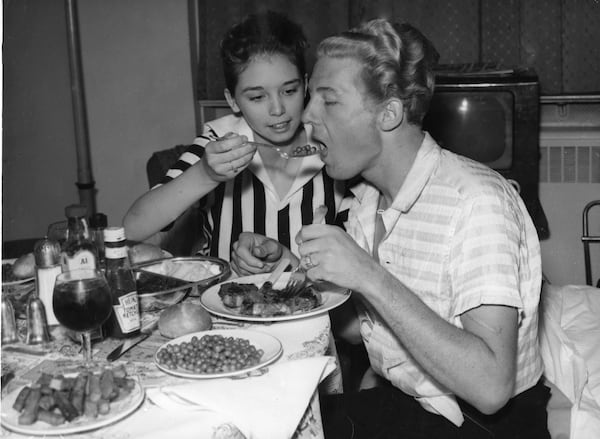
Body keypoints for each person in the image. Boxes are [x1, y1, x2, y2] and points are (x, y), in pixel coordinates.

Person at [232, 18, 550, 438]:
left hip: (481, 425)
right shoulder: (365, 199)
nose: (306, 115)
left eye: (329, 101)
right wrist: (293, 269)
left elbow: (490, 386)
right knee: (256, 423)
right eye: (311, 98)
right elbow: (359, 332)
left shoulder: (476, 202)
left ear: (389, 113)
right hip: (407, 405)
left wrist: (367, 274)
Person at [123, 11, 348, 267]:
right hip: (220, 301)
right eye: (257, 97)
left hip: (315, 299)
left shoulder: (332, 143)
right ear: (232, 100)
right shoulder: (217, 141)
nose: (277, 109)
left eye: (289, 90)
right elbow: (133, 228)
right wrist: (205, 174)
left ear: (305, 85)